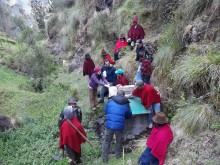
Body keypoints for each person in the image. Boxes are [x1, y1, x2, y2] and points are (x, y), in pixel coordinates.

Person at [102, 90, 132, 163]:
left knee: (107, 142)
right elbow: (129, 115)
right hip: (119, 127)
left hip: (109, 125)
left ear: (117, 94)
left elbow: (105, 111)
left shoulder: (110, 100)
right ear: (123, 96)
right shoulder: (126, 103)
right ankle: (118, 156)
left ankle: (104, 159)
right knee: (119, 141)